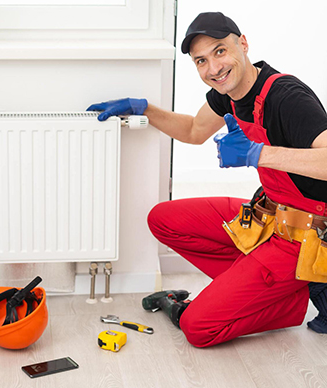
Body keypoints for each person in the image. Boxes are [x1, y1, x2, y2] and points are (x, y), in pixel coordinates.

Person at [87, 11, 327, 347]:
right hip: (267, 218)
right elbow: (193, 130)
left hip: (306, 236)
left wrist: (258, 154)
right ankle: (273, 294)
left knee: (198, 328)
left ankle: (283, 300)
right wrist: (143, 108)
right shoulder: (225, 94)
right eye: (201, 60)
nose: (213, 68)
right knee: (162, 220)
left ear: (242, 44)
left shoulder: (286, 97)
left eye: (219, 51)